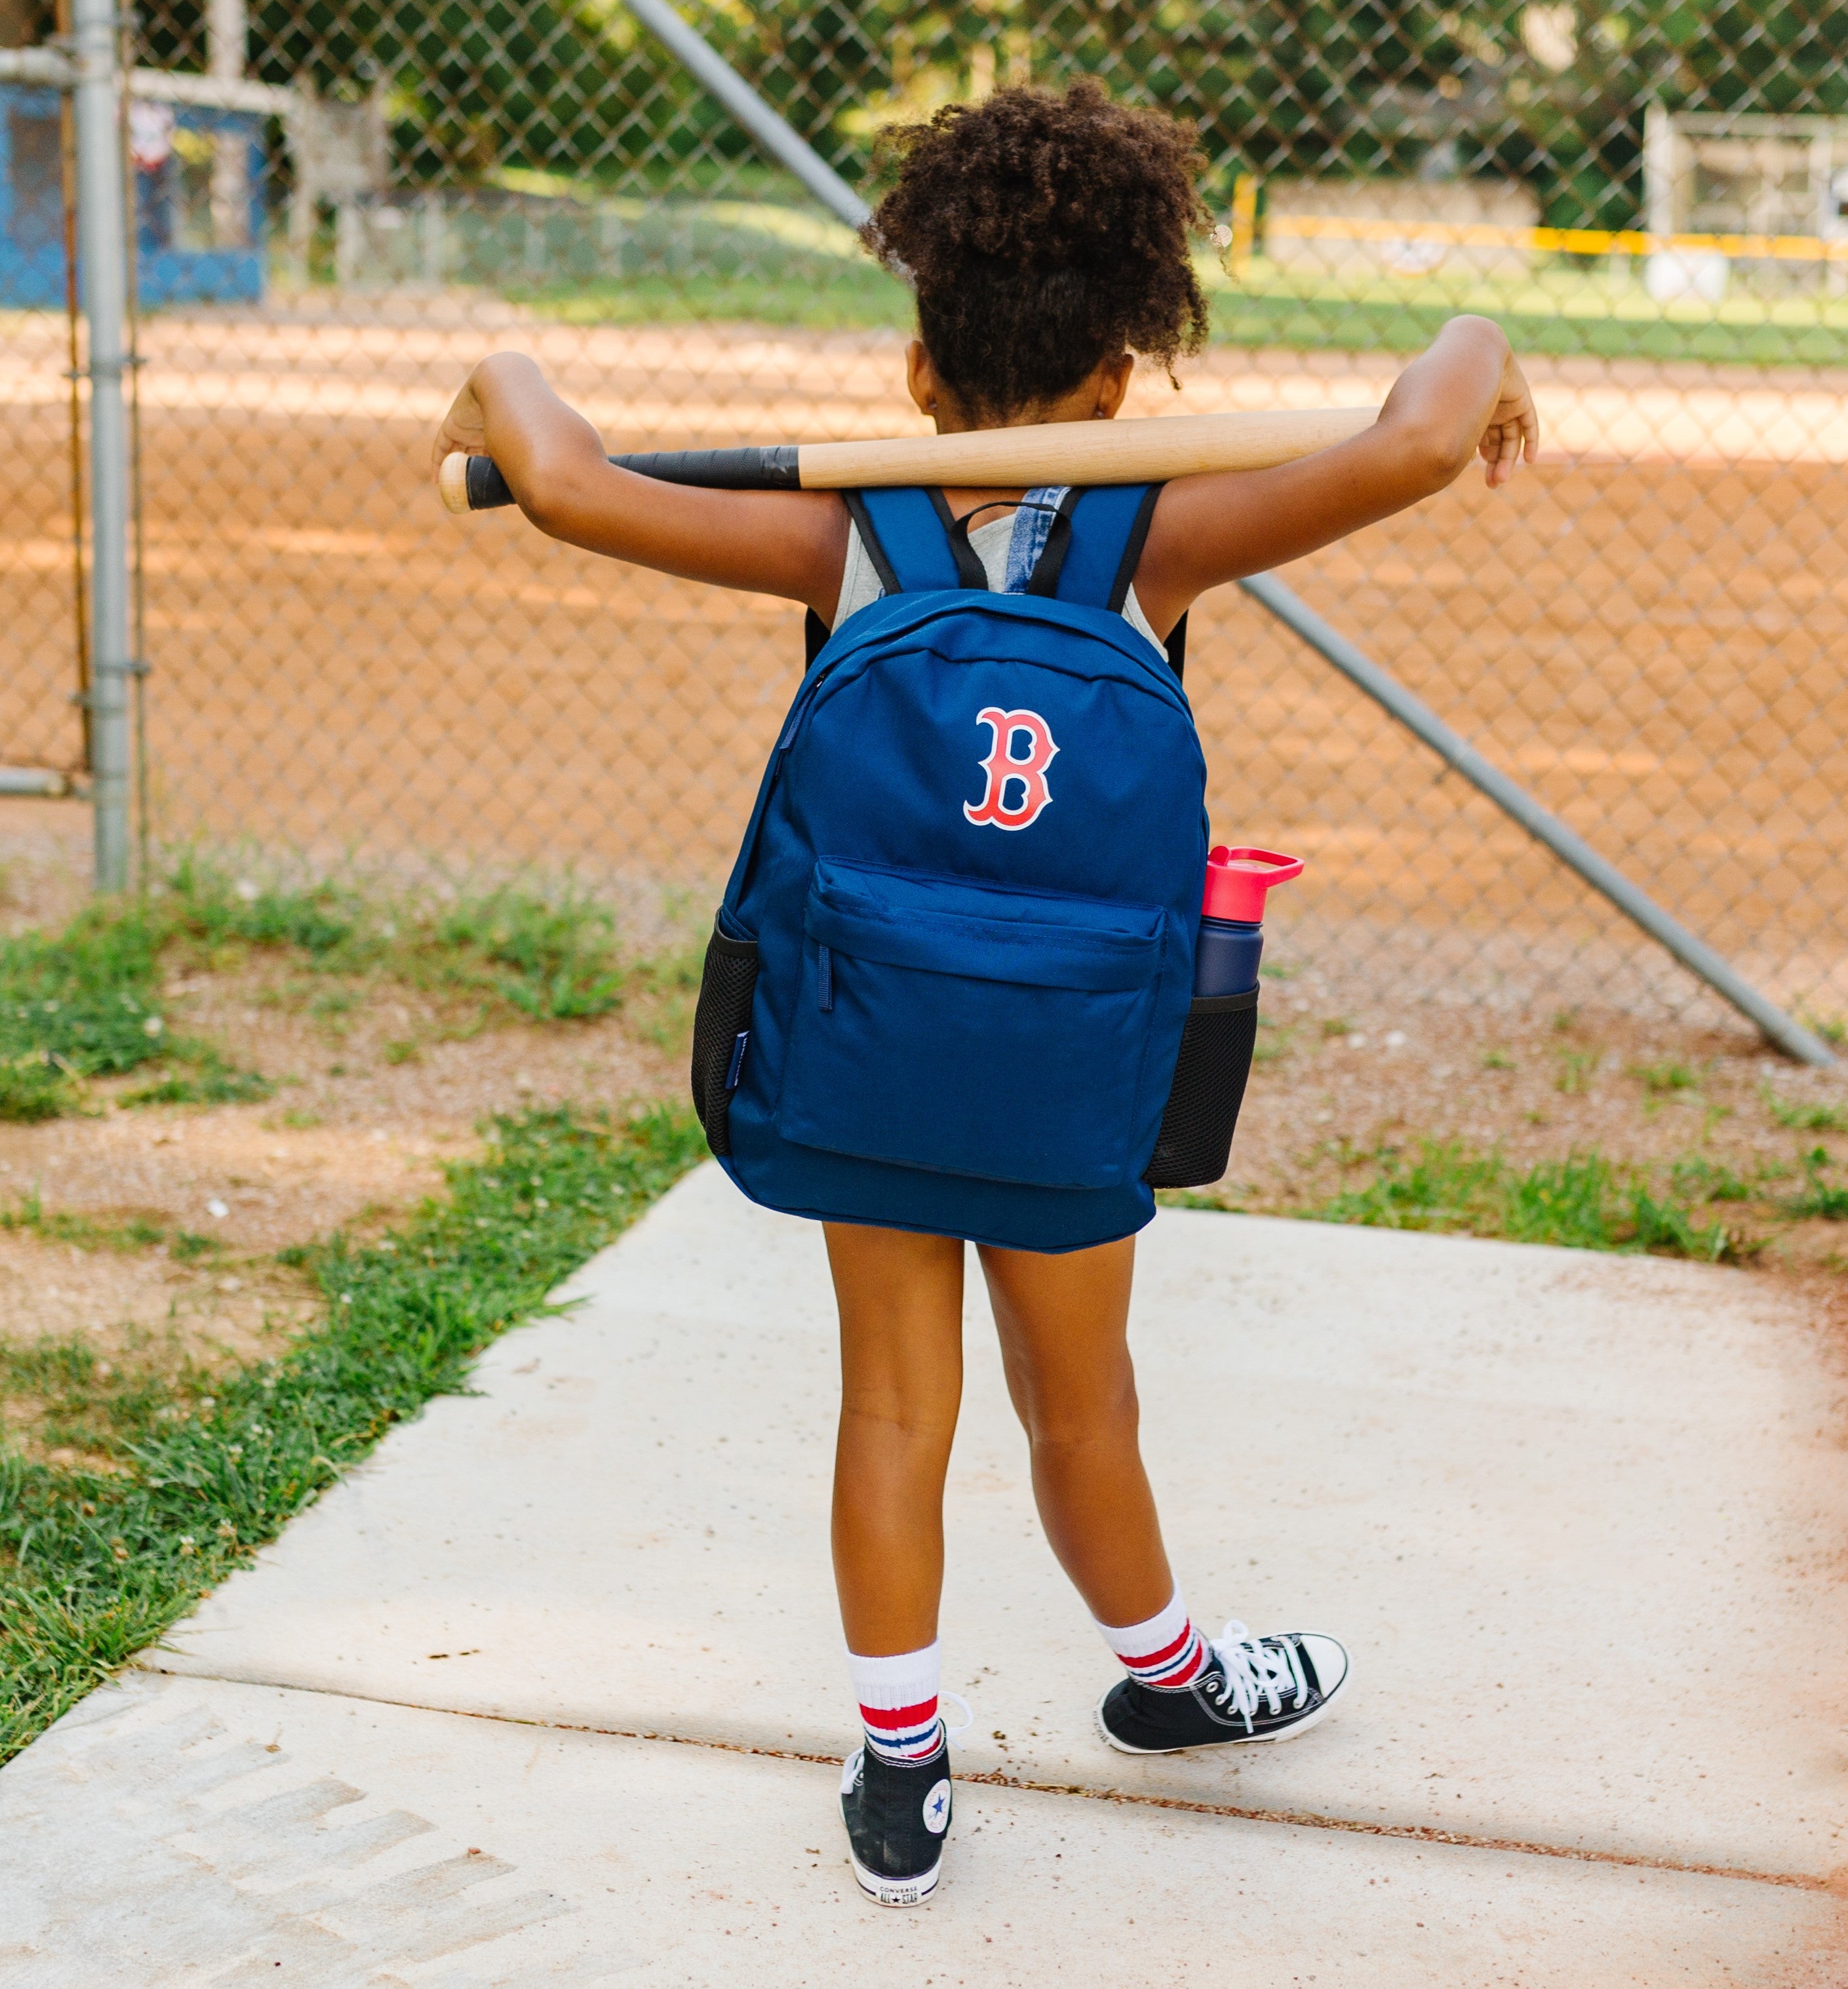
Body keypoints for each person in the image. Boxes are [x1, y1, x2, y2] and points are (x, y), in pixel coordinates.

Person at [431, 81, 1537, 1910]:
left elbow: (557, 481)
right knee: (1080, 1404)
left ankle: (898, 1758)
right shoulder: (1155, 544)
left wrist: (496, 371)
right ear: (1124, 371)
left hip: (871, 1047)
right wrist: (1487, 342)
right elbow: (1427, 429)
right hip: (1064, 1059)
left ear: (917, 368)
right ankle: (1174, 1679)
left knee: (893, 1406)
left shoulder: (839, 539)